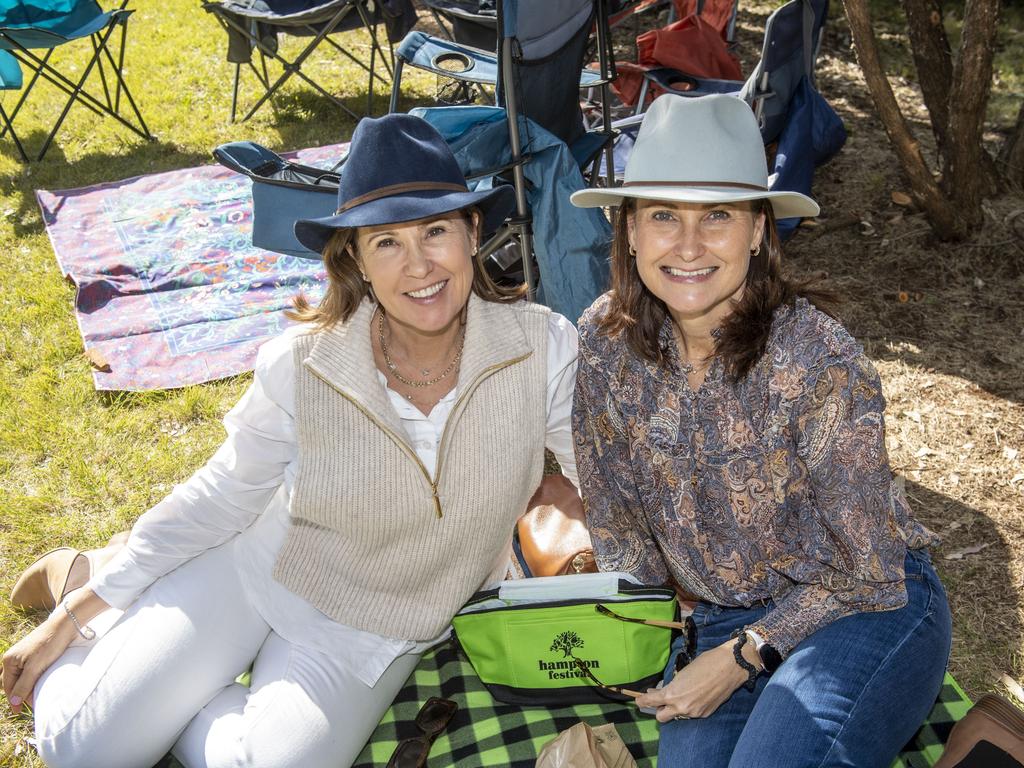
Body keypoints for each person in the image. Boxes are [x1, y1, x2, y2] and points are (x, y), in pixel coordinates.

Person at [2, 113, 580, 768]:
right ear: (355, 256)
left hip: (374, 626)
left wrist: (667, 579)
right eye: (386, 241)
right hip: (255, 568)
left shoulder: (543, 347)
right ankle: (88, 581)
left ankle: (167, 687)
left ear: (472, 231)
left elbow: (601, 476)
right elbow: (221, 497)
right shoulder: (303, 361)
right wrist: (71, 618)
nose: (418, 264)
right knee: (87, 754)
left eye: (436, 230)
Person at [569, 93, 952, 768]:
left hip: (866, 605)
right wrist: (660, 624)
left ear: (756, 230)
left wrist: (742, 656)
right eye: (662, 215)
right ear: (628, 230)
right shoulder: (606, 342)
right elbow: (615, 515)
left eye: (717, 215)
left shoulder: (817, 359)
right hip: (721, 615)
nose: (688, 245)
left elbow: (867, 569)